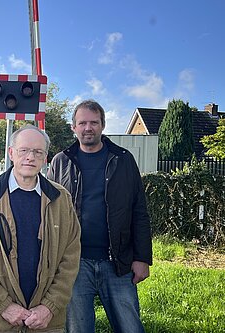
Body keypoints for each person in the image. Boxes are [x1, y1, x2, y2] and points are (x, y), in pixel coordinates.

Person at [47, 99, 152, 333]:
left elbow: (139, 211)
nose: (88, 128)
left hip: (118, 261)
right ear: (73, 127)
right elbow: (50, 214)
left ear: (103, 125)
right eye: (82, 123)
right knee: (78, 329)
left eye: (94, 122)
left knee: (130, 327)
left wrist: (142, 258)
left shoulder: (123, 159)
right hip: (74, 264)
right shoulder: (60, 162)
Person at [0, 125, 81, 333]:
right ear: (11, 153)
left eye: (38, 152)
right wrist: (4, 306)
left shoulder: (61, 199)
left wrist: (50, 307)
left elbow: (70, 258)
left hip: (47, 322)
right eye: (23, 150)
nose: (30, 157)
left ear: (45, 158)